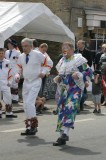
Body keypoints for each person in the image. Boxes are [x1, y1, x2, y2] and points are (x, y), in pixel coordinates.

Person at [53, 42, 92, 146]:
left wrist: (79, 74)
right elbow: (60, 74)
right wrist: (58, 78)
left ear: (71, 49)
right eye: (62, 48)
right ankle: (62, 135)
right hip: (63, 89)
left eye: (66, 48)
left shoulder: (78, 59)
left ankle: (65, 133)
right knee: (61, 110)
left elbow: (89, 72)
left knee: (70, 108)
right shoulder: (61, 61)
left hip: (75, 88)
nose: (64, 50)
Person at [15, 38, 53, 136]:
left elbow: (49, 63)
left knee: (29, 103)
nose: (24, 48)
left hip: (36, 81)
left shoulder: (38, 54)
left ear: (31, 46)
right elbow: (18, 67)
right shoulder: (21, 56)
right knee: (25, 105)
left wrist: (43, 72)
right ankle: (28, 127)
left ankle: (34, 126)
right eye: (22, 46)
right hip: (26, 82)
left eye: (26, 46)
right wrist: (17, 75)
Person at [75, 40, 93, 111]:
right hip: (76, 73)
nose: (77, 45)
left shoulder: (88, 52)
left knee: (83, 89)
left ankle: (81, 103)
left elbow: (90, 63)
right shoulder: (75, 51)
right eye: (77, 44)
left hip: (84, 73)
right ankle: (77, 104)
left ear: (83, 44)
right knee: (76, 89)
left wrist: (84, 70)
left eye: (79, 44)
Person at [0, 48, 17, 118]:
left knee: (8, 97)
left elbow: (11, 73)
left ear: (4, 54)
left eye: (2, 53)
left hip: (5, 82)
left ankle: (9, 112)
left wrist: (10, 82)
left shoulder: (8, 62)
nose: (1, 55)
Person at [5, 39, 21, 104]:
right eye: (8, 44)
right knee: (9, 84)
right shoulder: (7, 52)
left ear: (12, 45)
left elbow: (19, 62)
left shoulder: (17, 52)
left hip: (15, 70)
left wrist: (19, 72)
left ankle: (15, 98)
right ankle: (10, 98)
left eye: (9, 44)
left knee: (15, 84)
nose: (8, 45)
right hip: (8, 70)